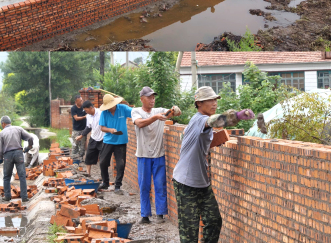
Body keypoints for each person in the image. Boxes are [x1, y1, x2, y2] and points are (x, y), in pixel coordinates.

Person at [172, 86, 235, 243]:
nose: (214, 103)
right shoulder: (199, 119)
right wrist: (236, 116)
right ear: (199, 103)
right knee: (190, 231)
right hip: (185, 183)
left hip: (202, 183)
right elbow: (212, 121)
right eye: (210, 100)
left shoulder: (200, 124)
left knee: (214, 221)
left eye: (215, 100)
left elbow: (192, 139)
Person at [131, 87, 182, 224]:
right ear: (142, 99)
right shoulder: (136, 111)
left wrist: (174, 110)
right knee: (144, 186)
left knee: (160, 184)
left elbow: (172, 113)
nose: (152, 100)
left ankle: (161, 214)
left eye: (153, 97)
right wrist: (155, 118)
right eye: (149, 97)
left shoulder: (159, 111)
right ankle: (145, 215)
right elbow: (140, 123)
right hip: (143, 155)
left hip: (159, 154)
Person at [98, 94, 132, 195]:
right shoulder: (104, 113)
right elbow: (102, 128)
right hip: (108, 141)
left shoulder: (123, 108)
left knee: (120, 164)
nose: (110, 108)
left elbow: (134, 113)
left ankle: (117, 186)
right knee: (103, 162)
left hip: (121, 141)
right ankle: (105, 182)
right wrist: (110, 130)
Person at [0, 116, 33, 202]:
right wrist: (29, 146)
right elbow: (30, 138)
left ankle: (7, 197)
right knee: (22, 176)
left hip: (8, 155)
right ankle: (24, 197)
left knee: (6, 177)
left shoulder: (2, 133)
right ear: (10, 122)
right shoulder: (18, 129)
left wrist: (1, 158)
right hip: (19, 154)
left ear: (3, 124)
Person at [75, 100, 105, 178]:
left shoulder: (101, 113)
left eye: (86, 110)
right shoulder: (88, 116)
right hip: (93, 138)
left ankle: (103, 176)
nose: (85, 112)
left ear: (91, 108)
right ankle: (88, 174)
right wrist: (81, 136)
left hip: (103, 139)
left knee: (103, 159)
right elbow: (88, 127)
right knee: (88, 156)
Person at [70, 96, 88, 162]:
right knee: (75, 144)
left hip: (83, 129)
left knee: (82, 145)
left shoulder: (83, 107)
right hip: (76, 130)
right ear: (76, 101)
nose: (81, 102)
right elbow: (76, 118)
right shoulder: (73, 108)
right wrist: (85, 116)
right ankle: (74, 158)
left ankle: (81, 158)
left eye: (81, 100)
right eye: (80, 101)